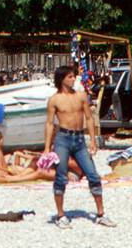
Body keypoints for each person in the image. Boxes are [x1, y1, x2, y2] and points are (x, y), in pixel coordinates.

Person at [43, 64, 112, 227]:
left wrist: (93, 141)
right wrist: (47, 148)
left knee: (93, 174)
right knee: (60, 176)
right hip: (62, 139)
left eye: (74, 76)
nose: (74, 79)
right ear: (62, 79)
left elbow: (88, 118)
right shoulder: (54, 99)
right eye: (70, 77)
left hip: (79, 139)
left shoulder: (81, 96)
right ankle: (60, 215)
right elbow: (49, 124)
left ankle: (101, 213)